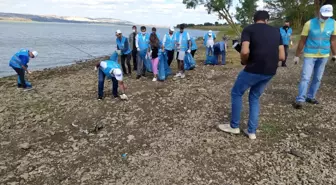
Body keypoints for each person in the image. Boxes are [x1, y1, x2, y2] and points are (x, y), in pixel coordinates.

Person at [218, 10, 285, 140]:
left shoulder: (249, 30)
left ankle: (234, 126)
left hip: (253, 69)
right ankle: (251, 131)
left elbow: (244, 51)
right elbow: (282, 56)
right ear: (267, 20)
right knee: (254, 97)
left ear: (254, 20)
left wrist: (244, 61)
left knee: (237, 93)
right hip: (270, 71)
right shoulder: (277, 31)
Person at [293, 4, 336, 109]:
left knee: (317, 78)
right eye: (324, 15)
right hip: (310, 54)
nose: (326, 17)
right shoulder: (309, 23)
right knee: (305, 77)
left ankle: (310, 96)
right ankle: (300, 99)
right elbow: (302, 40)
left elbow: (333, 40)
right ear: (320, 12)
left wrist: (334, 54)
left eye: (328, 15)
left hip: (324, 55)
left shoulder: (333, 23)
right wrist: (297, 55)